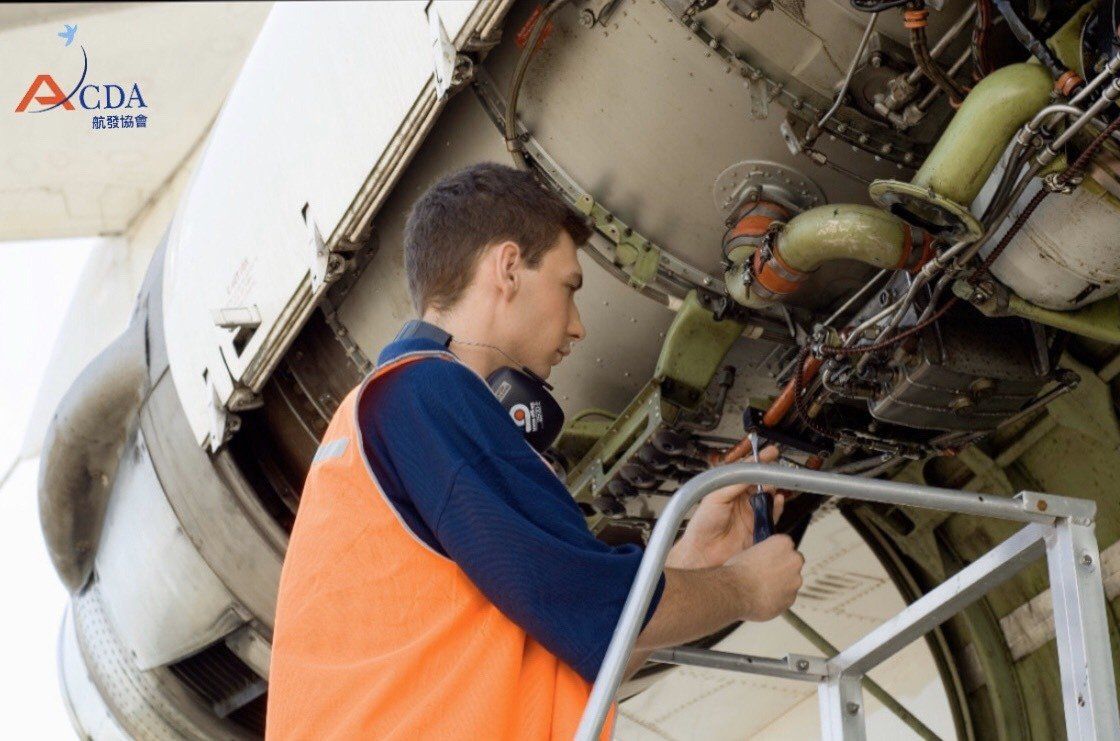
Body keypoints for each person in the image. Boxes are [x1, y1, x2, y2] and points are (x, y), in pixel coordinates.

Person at [266, 162, 805, 739]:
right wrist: (744, 588)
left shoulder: (386, 415)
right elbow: (588, 605)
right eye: (569, 286)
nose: (578, 327)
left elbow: (581, 642)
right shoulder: (422, 392)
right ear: (507, 268)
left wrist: (697, 554)